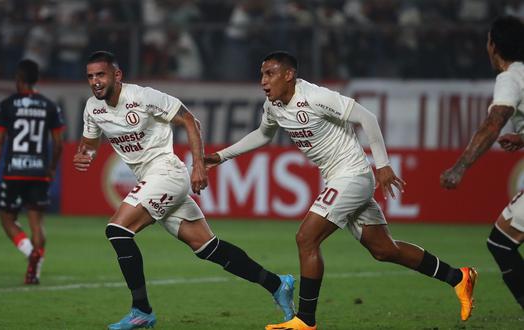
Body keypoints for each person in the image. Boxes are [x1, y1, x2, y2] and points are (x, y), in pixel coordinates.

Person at [204, 51, 477, 330]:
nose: (263, 81)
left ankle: (306, 322)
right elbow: (263, 134)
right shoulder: (273, 105)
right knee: (384, 249)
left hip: (353, 176)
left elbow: (367, 117)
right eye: (261, 74)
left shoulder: (315, 97)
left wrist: (382, 165)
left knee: (306, 238)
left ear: (289, 75)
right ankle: (459, 277)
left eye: (270, 74)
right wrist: (221, 156)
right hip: (339, 178)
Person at [72, 50, 295, 330]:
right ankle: (277, 284)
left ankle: (141, 310)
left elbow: (190, 120)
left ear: (117, 75)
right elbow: (89, 144)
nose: (95, 81)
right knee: (208, 248)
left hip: (166, 172)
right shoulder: (93, 108)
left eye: (100, 74)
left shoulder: (144, 97)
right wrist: (86, 155)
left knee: (117, 230)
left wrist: (198, 165)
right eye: (90, 76)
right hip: (150, 178)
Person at [441, 15, 524, 310]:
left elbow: (493, 122)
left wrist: (460, 166)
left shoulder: (510, 77)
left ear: (493, 46)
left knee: (501, 243)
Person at [0, 59, 65, 284]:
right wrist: (51, 169)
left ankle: (31, 253)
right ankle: (34, 272)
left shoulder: (7, 105)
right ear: (36, 80)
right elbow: (58, 144)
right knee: (37, 223)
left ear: (18, 80)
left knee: (7, 219)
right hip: (39, 172)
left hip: (14, 172)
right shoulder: (50, 106)